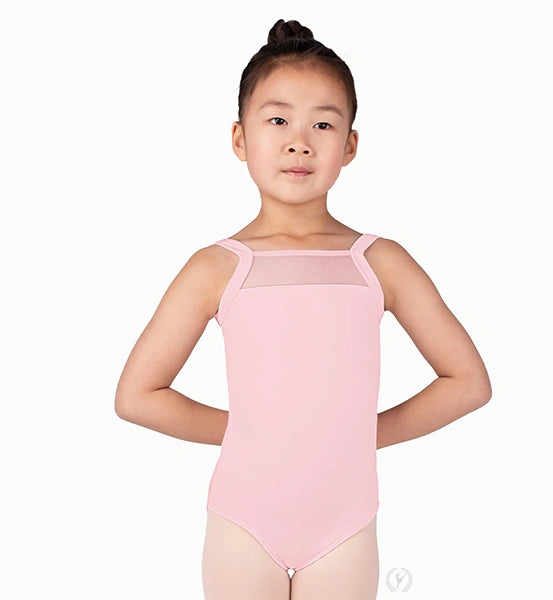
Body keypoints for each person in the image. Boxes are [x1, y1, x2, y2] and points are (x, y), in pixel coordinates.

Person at [114, 18, 492, 600]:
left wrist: (357, 435)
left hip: (344, 525)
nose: (300, 141)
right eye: (278, 120)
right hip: (243, 523)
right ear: (239, 139)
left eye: (323, 123)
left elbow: (468, 383)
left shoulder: (380, 262)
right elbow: (137, 396)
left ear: (350, 145)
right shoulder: (216, 268)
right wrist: (253, 432)